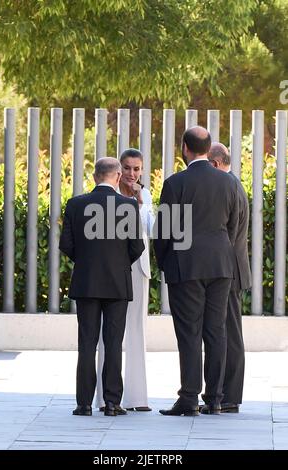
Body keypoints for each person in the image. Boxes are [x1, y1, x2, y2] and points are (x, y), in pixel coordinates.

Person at [154, 126, 239, 416]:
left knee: (189, 333)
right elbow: (233, 225)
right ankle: (214, 399)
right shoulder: (228, 182)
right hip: (221, 264)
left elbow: (164, 230)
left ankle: (189, 398)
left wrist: (164, 262)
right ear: (209, 147)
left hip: (185, 264)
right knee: (216, 332)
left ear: (185, 148)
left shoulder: (175, 183)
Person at [59, 157, 145, 417]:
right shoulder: (129, 206)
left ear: (95, 176)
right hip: (117, 283)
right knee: (113, 342)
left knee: (87, 343)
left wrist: (86, 263)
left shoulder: (75, 204)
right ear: (118, 177)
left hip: (86, 282)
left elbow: (67, 245)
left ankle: (84, 404)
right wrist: (119, 264)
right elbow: (137, 247)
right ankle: (112, 403)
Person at [95, 148, 154, 412]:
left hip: (139, 269)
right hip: (113, 271)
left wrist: (142, 203)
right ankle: (107, 397)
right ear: (119, 171)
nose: (132, 173)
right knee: (109, 334)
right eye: (128, 168)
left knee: (136, 332)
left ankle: (137, 397)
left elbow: (152, 230)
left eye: (137, 168)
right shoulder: (110, 196)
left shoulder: (146, 195)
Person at [207, 142, 251, 413]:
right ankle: (225, 394)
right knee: (226, 331)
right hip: (232, 269)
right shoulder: (233, 184)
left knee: (230, 333)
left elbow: (230, 234)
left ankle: (230, 396)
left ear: (215, 164)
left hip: (230, 271)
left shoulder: (230, 186)